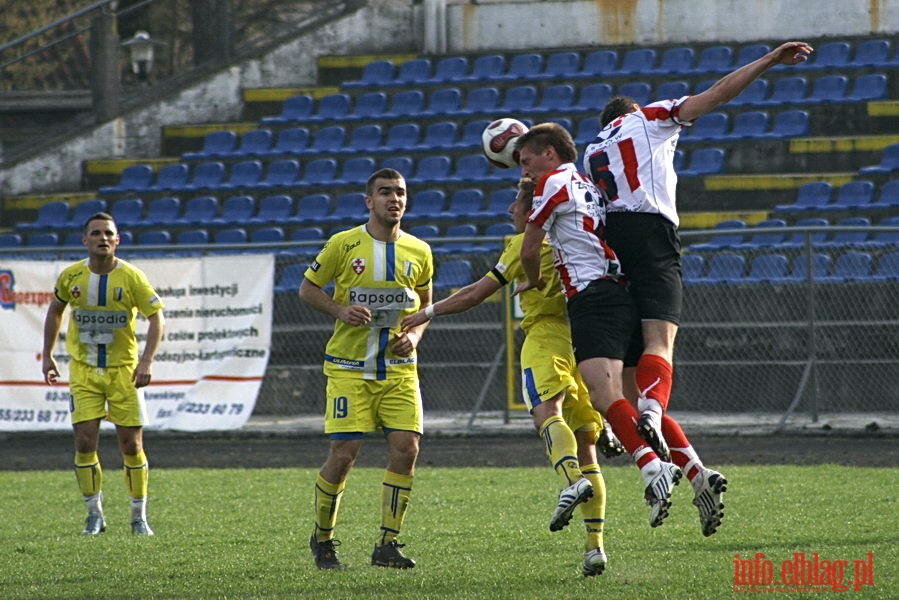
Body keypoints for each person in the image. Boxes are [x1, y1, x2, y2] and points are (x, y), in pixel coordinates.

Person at [582, 41, 813, 536]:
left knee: (627, 381)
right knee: (659, 347)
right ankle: (652, 414)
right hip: (651, 234)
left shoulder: (593, 150)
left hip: (611, 254)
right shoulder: (649, 118)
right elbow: (717, 95)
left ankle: (696, 474)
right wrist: (770, 59)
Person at [402, 177, 622, 577]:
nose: (510, 211)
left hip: (545, 337)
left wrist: (427, 313)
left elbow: (475, 293)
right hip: (586, 338)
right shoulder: (578, 239)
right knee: (588, 444)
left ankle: (570, 482)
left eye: (516, 204)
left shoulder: (525, 246)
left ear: (534, 208)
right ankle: (595, 549)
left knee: (545, 409)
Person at [513, 122, 682, 529]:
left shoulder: (552, 183)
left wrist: (533, 279)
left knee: (602, 395)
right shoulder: (589, 185)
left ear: (550, 153)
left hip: (591, 296)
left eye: (526, 161)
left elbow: (529, 246)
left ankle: (653, 465)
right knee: (614, 394)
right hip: (617, 291)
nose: (524, 172)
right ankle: (673, 464)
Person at [299, 168, 434, 570]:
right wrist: (341, 309)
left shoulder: (419, 251)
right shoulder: (344, 244)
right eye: (385, 192)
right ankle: (323, 540)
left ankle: (387, 545)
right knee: (344, 454)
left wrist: (415, 336)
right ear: (368, 201)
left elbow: (425, 308)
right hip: (348, 368)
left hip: (399, 369)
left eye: (401, 193)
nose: (394, 199)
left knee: (407, 449)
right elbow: (307, 289)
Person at [42, 212, 165, 536]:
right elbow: (55, 310)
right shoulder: (71, 276)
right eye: (96, 233)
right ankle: (94, 514)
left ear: (117, 240)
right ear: (85, 240)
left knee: (131, 444)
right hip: (83, 371)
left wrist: (146, 362)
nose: (103, 238)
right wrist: (48, 355)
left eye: (108, 233)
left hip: (123, 372)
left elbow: (156, 318)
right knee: (84, 441)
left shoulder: (132, 278)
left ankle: (139, 517)